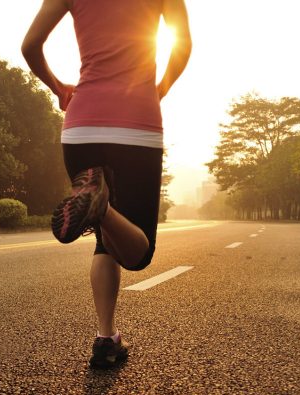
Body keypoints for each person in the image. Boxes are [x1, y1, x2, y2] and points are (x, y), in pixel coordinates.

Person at [22, 0, 191, 369]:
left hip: (81, 127)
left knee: (105, 239)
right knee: (138, 253)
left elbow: (29, 46)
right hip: (137, 125)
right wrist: (157, 90)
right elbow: (183, 46)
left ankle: (106, 338)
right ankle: (100, 205)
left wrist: (58, 87)